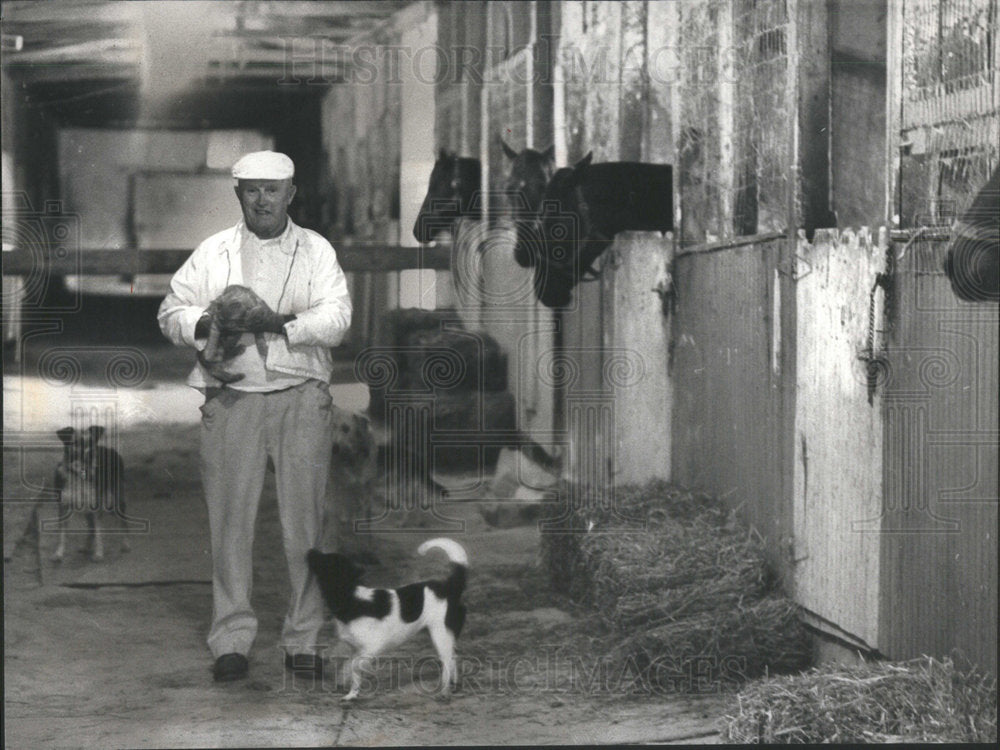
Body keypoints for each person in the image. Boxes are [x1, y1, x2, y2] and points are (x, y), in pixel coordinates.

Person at [157, 150, 352, 683]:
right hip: (231, 397)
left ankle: (304, 638)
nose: (262, 199)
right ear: (237, 194)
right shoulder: (213, 252)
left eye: (273, 189)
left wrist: (279, 323)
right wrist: (207, 321)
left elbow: (337, 317)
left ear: (291, 194)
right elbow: (169, 310)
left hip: (299, 396)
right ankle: (231, 639)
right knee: (229, 524)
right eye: (252, 190)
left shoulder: (315, 250)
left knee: (306, 525)